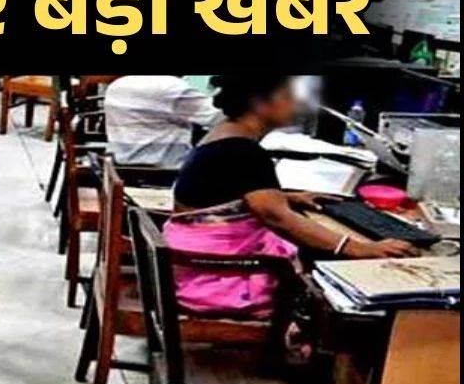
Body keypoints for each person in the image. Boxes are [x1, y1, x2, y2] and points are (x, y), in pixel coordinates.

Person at [167, 75, 418, 318]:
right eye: (289, 96)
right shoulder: (242, 151)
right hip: (219, 280)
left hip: (193, 267)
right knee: (337, 272)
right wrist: (358, 248)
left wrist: (289, 197)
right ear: (260, 103)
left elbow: (228, 193)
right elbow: (277, 217)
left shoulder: (225, 134)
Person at [103, 75, 224, 168]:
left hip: (122, 169)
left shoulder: (116, 86)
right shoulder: (172, 87)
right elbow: (218, 117)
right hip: (168, 171)